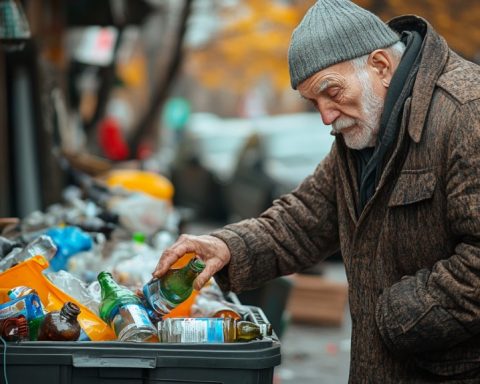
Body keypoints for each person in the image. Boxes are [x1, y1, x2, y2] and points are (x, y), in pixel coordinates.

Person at [154, 0, 480, 381]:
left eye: (332, 93)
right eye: (315, 103)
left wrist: (393, 315)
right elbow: (304, 219)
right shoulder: (367, 125)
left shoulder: (467, 112)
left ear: (380, 65)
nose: (326, 116)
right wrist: (227, 246)